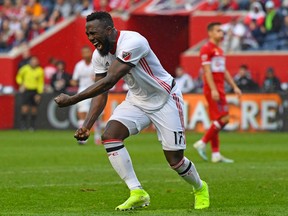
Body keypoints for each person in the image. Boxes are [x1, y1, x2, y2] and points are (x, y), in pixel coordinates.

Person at [54, 11, 209, 211]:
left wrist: (72, 99)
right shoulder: (99, 55)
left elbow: (109, 81)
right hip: (137, 100)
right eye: (88, 34)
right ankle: (137, 192)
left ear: (109, 30)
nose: (91, 38)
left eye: (94, 33)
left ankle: (199, 187)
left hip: (165, 98)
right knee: (110, 136)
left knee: (175, 160)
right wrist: (87, 125)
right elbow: (102, 90)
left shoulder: (134, 42)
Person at [193, 22, 242, 163]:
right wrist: (213, 88)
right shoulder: (206, 49)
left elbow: (224, 71)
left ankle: (215, 154)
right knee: (224, 119)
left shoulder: (219, 50)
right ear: (210, 33)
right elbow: (207, 71)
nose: (221, 33)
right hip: (213, 88)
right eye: (218, 31)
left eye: (222, 31)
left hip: (220, 87)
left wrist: (234, 86)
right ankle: (202, 142)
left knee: (216, 121)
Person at [70, 46, 102, 145]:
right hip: (83, 92)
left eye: (87, 52)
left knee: (96, 115)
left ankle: (97, 137)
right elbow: (74, 80)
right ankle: (82, 138)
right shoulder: (79, 65)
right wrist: (72, 82)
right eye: (83, 52)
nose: (85, 54)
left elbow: (102, 77)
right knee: (82, 114)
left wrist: (96, 78)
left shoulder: (96, 63)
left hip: (95, 91)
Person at [16, 56, 44, 130]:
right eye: (33, 61)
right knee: (25, 108)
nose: (34, 63)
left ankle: (32, 126)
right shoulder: (25, 69)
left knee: (34, 108)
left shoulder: (40, 70)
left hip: (34, 91)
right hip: (26, 90)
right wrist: (22, 84)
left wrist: (39, 93)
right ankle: (23, 125)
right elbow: (18, 77)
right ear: (30, 62)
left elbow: (40, 83)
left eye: (35, 61)